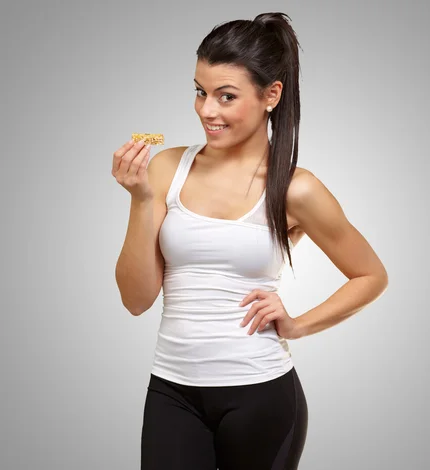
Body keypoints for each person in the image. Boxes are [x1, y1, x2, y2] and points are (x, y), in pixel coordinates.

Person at [112, 12, 388, 470]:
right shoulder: (165, 168)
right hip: (171, 391)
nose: (207, 111)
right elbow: (136, 299)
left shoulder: (296, 189)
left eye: (226, 96)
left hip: (260, 394)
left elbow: (370, 275)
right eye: (200, 92)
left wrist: (298, 324)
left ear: (271, 95)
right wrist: (141, 201)